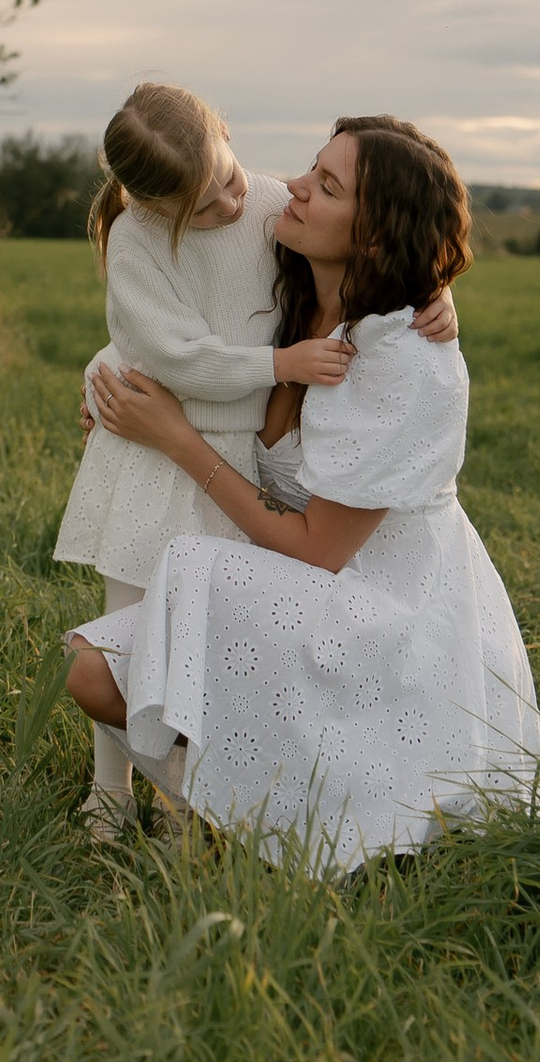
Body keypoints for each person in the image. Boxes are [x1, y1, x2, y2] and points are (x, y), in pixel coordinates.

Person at [66, 114, 540, 873]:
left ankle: (266, 821)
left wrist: (176, 439)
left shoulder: (405, 363)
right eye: (315, 168)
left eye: (327, 186)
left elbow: (320, 551)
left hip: (381, 611)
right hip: (295, 588)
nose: (292, 190)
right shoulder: (290, 269)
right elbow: (169, 323)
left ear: (372, 238)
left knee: (195, 572)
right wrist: (103, 382)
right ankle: (222, 803)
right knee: (89, 668)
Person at [54, 81, 455, 842]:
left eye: (230, 183)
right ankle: (109, 795)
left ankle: (196, 801)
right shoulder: (139, 239)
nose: (231, 210)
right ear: (151, 207)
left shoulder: (271, 205)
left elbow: (380, 247)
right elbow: (161, 346)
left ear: (231, 139)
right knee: (127, 630)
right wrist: (274, 367)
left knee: (203, 648)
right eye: (204, 210)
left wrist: (437, 293)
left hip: (232, 459)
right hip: (155, 454)